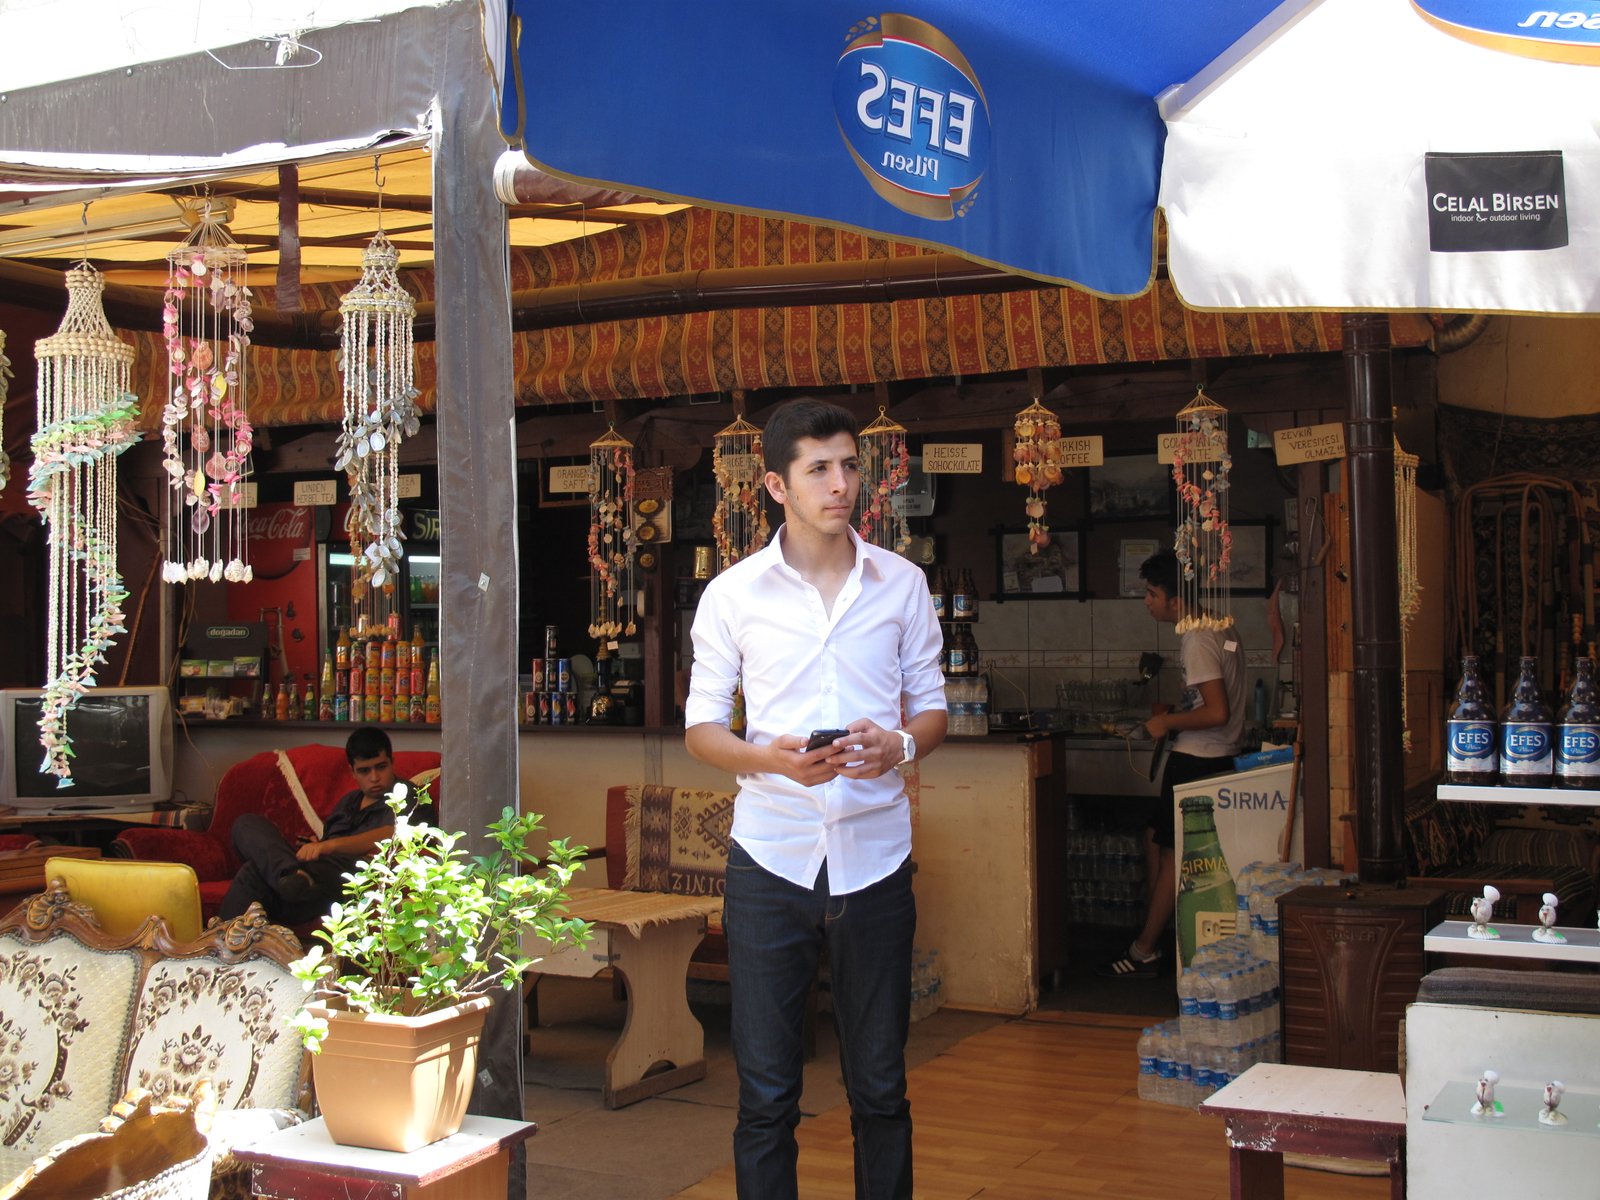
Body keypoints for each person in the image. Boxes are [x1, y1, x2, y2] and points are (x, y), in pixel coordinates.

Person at [685, 398, 948, 1200]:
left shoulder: (902, 583)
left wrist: (897, 745)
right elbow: (701, 727)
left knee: (881, 1088)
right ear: (776, 484)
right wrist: (766, 758)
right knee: (766, 1097)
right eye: (819, 469)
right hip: (769, 863)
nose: (842, 484)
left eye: (849, 465)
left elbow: (931, 708)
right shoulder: (732, 595)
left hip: (876, 861)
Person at [1101, 547, 1245, 978]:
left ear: (1174, 599)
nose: (1146, 601)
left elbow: (1216, 711)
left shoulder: (1198, 639)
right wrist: (1178, 709)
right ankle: (1160, 932)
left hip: (1197, 760)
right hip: (1219, 757)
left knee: (1172, 857)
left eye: (1151, 593)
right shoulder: (1220, 624)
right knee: (1158, 837)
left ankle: (1145, 946)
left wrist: (1165, 722)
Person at [217, 726, 435, 923]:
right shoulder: (348, 802)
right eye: (365, 770)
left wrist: (328, 846)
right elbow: (327, 842)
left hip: (352, 878)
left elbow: (393, 835)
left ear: (391, 763)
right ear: (352, 772)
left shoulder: (409, 795)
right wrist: (316, 845)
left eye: (381, 767)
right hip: (312, 876)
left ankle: (221, 948)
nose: (375, 777)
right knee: (246, 824)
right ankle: (289, 875)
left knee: (253, 872)